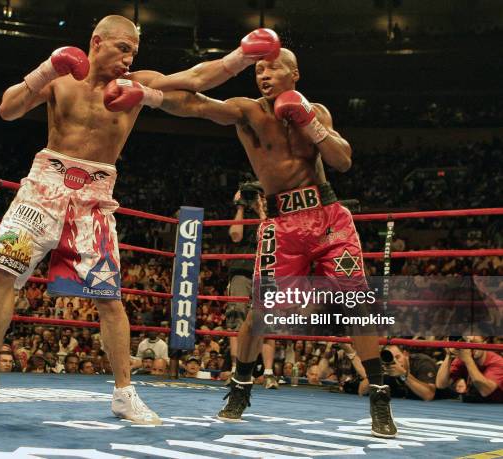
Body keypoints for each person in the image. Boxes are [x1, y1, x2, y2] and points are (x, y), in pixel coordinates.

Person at [0, 14, 281, 426]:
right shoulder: (60, 75)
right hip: (42, 191)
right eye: (123, 48)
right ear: (97, 42)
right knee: (2, 273)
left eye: (133, 52)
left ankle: (124, 394)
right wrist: (46, 70)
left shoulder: (139, 82)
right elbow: (8, 109)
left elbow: (197, 78)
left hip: (94, 200)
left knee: (110, 300)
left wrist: (239, 56)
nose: (129, 59)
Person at [113, 47, 396, 437]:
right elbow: (198, 106)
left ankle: (380, 396)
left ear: (294, 74)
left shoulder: (317, 111)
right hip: (282, 226)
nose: (263, 74)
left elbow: (343, 160)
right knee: (261, 312)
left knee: (356, 303)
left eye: (273, 68)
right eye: (259, 69)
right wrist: (150, 95)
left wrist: (309, 122)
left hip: (329, 219)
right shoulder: (247, 111)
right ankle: (241, 387)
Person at [227, 181, 278, 389]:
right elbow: (235, 235)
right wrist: (240, 206)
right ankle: (235, 370)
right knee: (236, 315)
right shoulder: (243, 215)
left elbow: (271, 235)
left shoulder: (274, 215)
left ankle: (267, 373)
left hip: (266, 271)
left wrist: (260, 209)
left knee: (266, 321)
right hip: (241, 270)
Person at [436, 336, 503, 403]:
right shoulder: (462, 359)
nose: (471, 347)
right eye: (467, 343)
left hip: (496, 406)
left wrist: (468, 360)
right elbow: (441, 384)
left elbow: (485, 391)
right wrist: (448, 355)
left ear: (485, 343)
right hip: (471, 405)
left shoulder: (497, 361)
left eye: (474, 343)